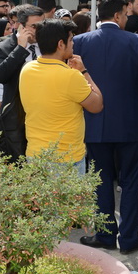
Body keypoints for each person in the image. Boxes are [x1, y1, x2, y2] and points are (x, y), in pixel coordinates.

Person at [75, 0, 138, 253]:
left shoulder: (80, 41)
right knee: (130, 181)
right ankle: (129, 238)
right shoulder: (136, 41)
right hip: (130, 121)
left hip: (94, 121)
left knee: (101, 179)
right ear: (119, 15)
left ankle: (105, 235)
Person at [19, 19, 102, 167]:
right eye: (70, 40)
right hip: (66, 157)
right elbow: (97, 105)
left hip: (35, 153)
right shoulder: (71, 76)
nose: (73, 44)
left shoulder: (27, 69)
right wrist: (84, 71)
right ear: (60, 44)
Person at [0, 4, 45, 161]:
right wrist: (20, 49)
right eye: (34, 26)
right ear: (21, 26)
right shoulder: (4, 47)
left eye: (42, 25)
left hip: (44, 114)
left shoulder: (47, 44)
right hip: (17, 116)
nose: (39, 30)